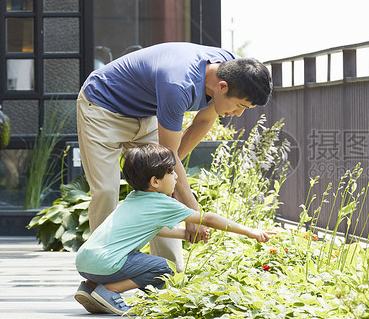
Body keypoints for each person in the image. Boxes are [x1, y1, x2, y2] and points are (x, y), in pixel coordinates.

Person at [76, 42, 272, 271]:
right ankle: (101, 271)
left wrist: (165, 175)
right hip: (102, 106)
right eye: (240, 106)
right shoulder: (177, 85)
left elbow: (203, 121)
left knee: (162, 188)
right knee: (107, 190)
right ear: (222, 87)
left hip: (145, 112)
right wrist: (193, 214)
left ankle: (169, 277)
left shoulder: (230, 66)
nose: (238, 114)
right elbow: (169, 157)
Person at [74, 143, 275, 315]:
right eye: (171, 172)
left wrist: (186, 235)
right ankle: (109, 291)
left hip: (86, 262)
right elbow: (210, 219)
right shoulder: (161, 202)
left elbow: (155, 230)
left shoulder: (134, 198)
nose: (177, 177)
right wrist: (249, 231)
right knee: (164, 267)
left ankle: (90, 288)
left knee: (145, 263)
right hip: (108, 263)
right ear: (155, 182)